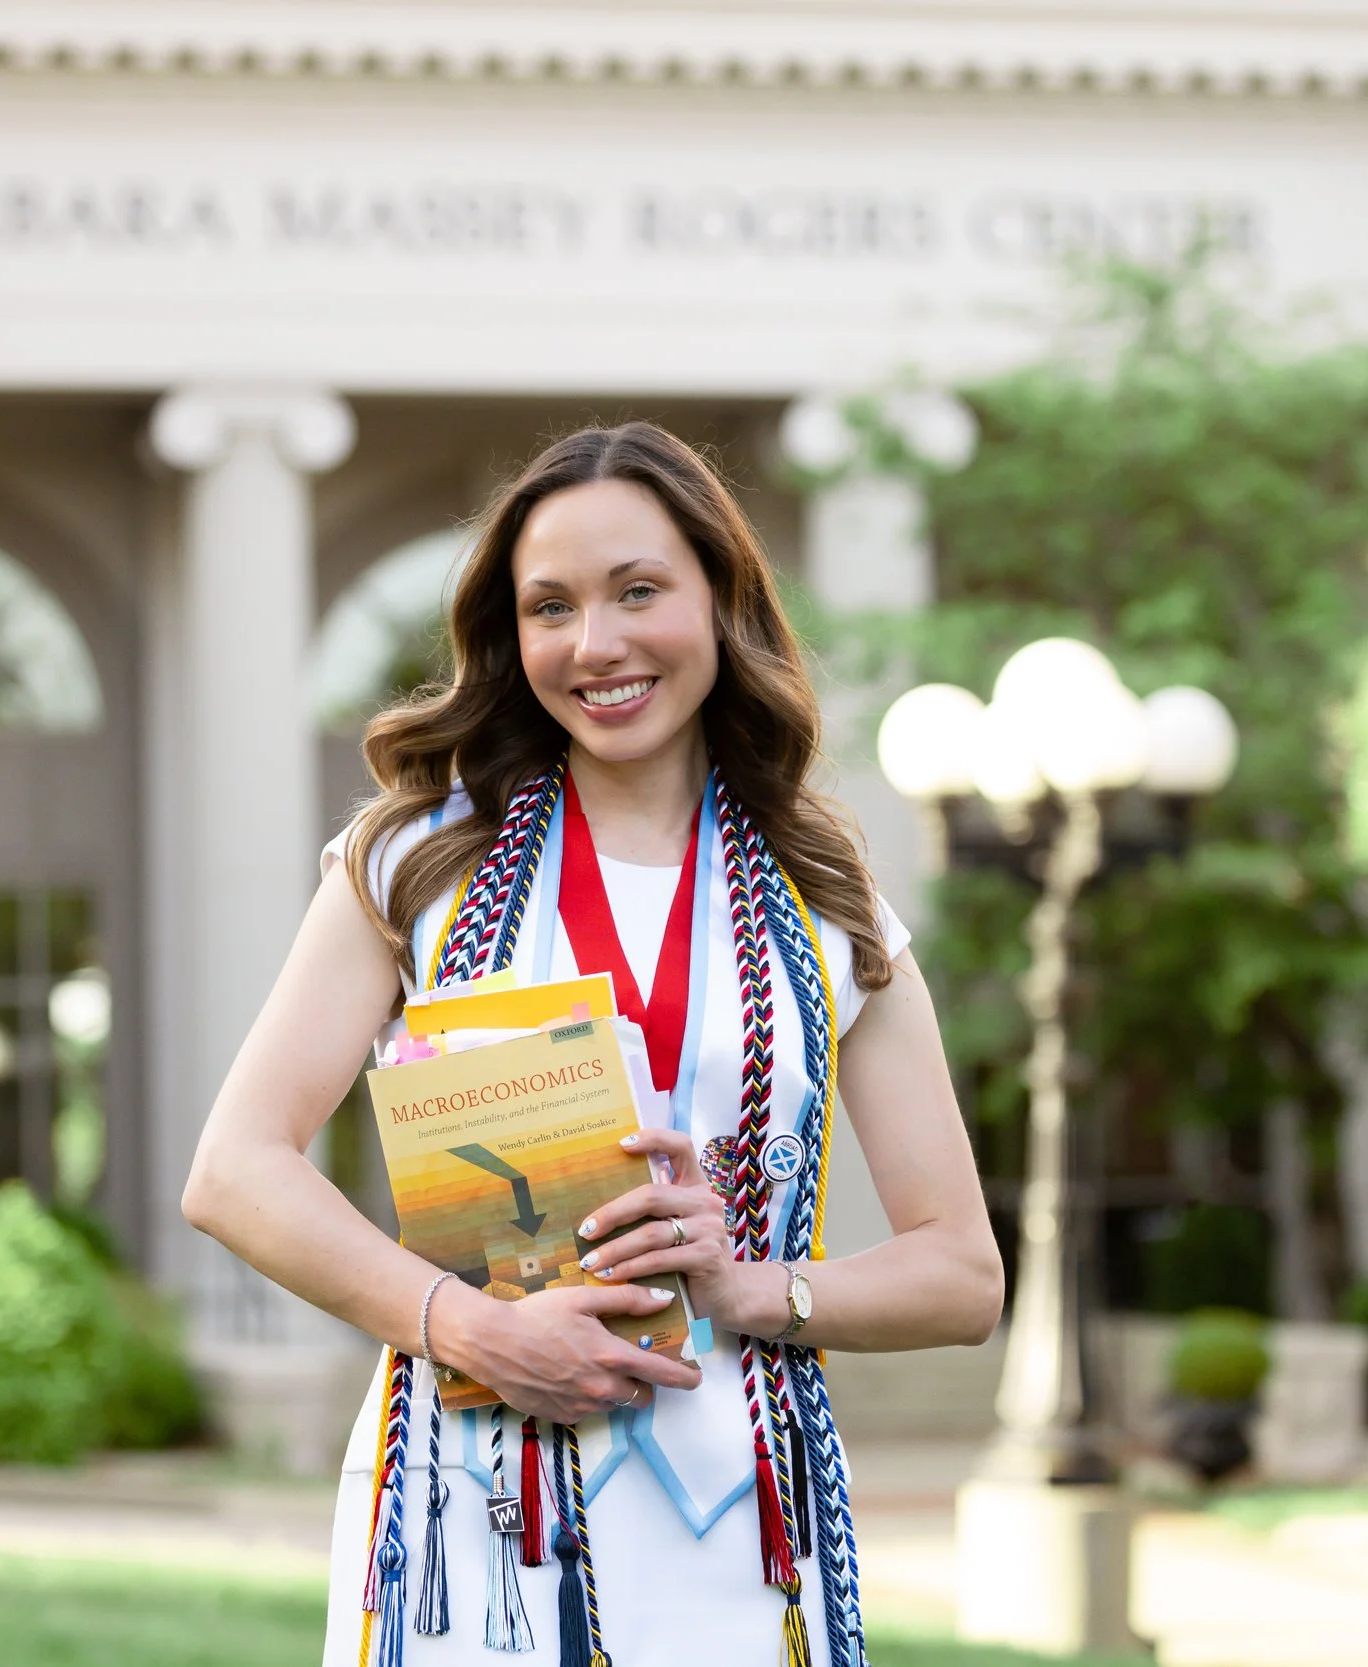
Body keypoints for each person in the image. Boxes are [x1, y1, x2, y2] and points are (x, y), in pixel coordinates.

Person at [182, 422, 1002, 1667]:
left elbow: (962, 1274)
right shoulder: (414, 865)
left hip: (739, 1519)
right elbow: (234, 1169)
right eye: (548, 606)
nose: (594, 643)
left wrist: (756, 1289)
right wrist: (462, 1325)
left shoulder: (827, 905)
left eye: (637, 591)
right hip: (471, 1519)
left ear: (719, 603)